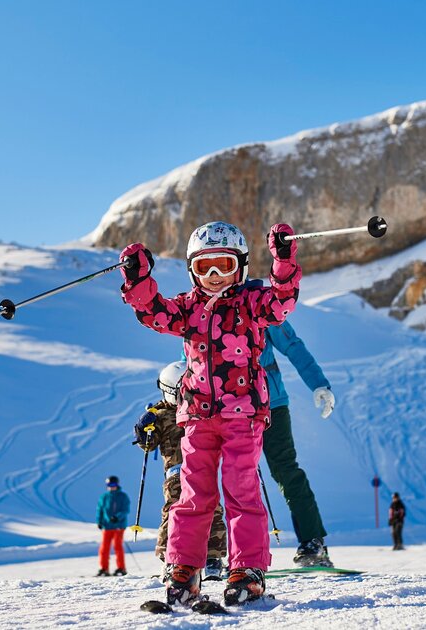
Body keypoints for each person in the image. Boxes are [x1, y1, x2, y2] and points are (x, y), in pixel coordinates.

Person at [119, 220, 301, 607]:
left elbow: (282, 302)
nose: (215, 276)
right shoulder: (188, 308)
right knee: (193, 493)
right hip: (197, 415)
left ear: (242, 267)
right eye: (205, 268)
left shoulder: (252, 304)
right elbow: (154, 313)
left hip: (243, 413)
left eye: (224, 265)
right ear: (191, 270)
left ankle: (247, 568)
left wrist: (283, 262)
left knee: (241, 488)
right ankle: (184, 567)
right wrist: (138, 279)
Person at [249, 299, 336, 566]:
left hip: (271, 404)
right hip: (228, 410)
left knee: (286, 470)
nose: (217, 275)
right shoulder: (204, 308)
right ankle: (228, 553)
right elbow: (191, 359)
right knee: (230, 477)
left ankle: (313, 543)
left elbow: (292, 345)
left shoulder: (258, 305)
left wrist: (318, 383)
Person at [133, 361, 228, 581]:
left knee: (212, 508)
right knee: (174, 511)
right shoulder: (161, 414)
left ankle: (213, 559)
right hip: (177, 473)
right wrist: (143, 429)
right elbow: (148, 444)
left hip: (204, 469)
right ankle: (170, 559)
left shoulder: (202, 407)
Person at [95, 475, 130, 577]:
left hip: (119, 526)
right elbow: (100, 510)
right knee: (104, 548)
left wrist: (117, 517)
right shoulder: (104, 497)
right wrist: (99, 521)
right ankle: (103, 568)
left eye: (113, 484)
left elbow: (125, 510)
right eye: (109, 485)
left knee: (117, 546)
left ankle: (121, 568)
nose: (112, 487)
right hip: (107, 526)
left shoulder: (123, 496)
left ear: (117, 485)